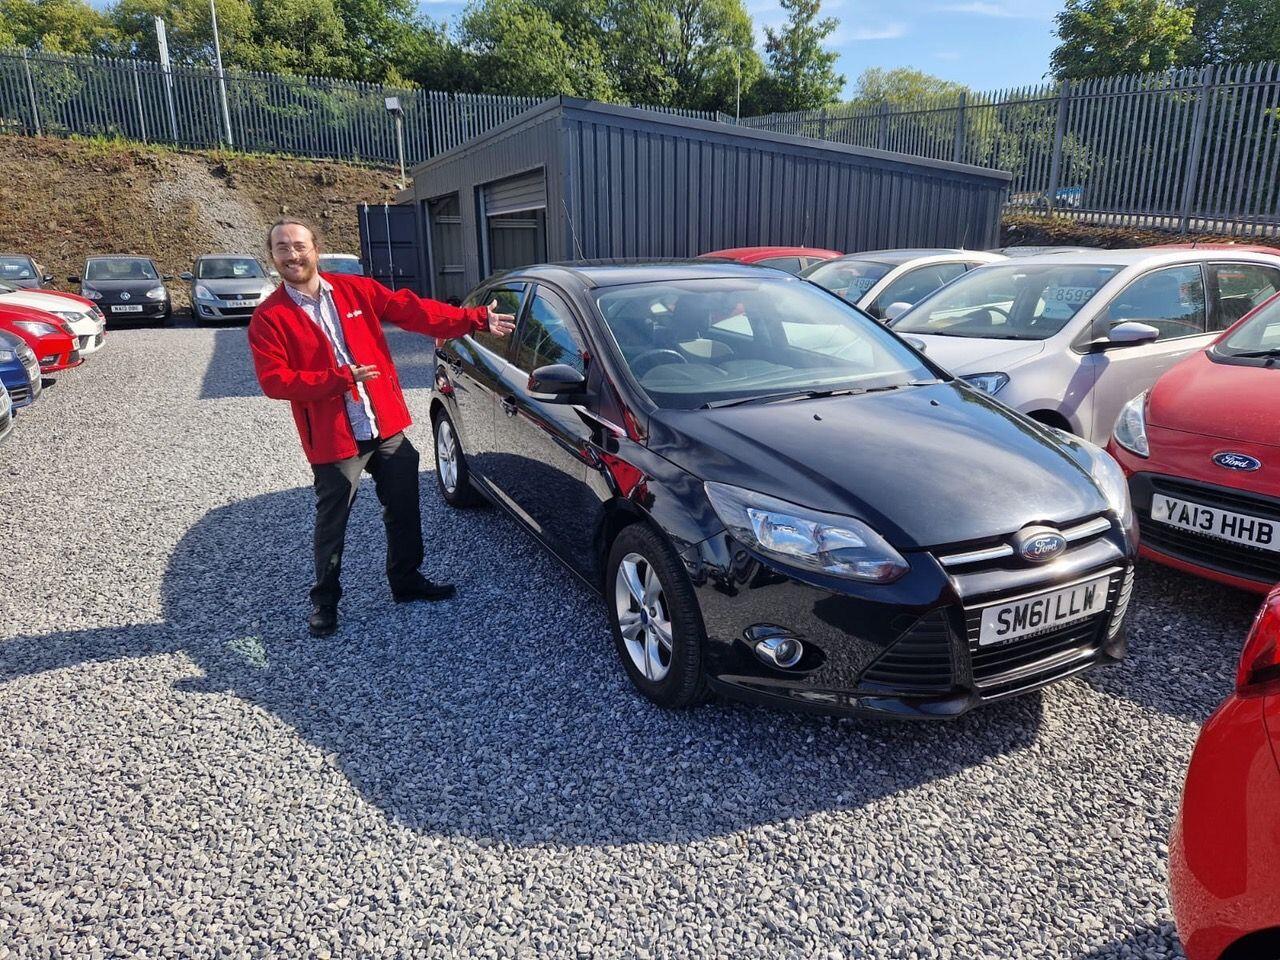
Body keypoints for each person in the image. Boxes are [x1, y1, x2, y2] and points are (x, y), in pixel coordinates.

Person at [248, 219, 515, 637]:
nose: (292, 255)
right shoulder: (270, 317)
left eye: (299, 245)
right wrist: (339, 378)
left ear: (315, 248)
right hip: (335, 439)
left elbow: (413, 310)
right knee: (333, 523)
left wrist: (473, 319)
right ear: (273, 257)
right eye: (282, 248)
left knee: (404, 508)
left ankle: (406, 580)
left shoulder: (356, 290)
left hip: (384, 426)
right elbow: (274, 381)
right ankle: (325, 602)